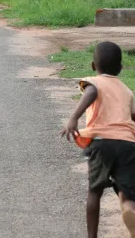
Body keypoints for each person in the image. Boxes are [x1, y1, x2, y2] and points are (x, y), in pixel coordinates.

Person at [60, 41, 135, 238]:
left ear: (94, 66)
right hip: (128, 143)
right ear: (120, 68)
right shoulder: (127, 91)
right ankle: (130, 211)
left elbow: (91, 93)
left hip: (102, 142)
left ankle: (92, 236)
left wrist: (74, 118)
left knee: (95, 190)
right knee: (127, 189)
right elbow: (133, 116)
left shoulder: (94, 82)